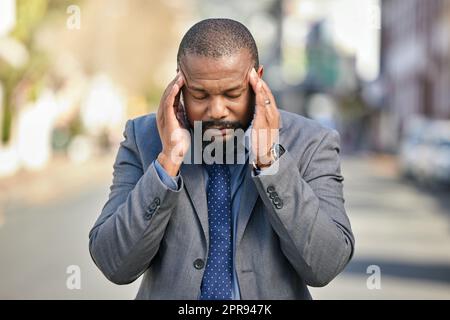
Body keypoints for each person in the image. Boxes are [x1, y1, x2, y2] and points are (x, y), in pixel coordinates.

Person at [89, 18, 354, 300]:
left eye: (232, 94)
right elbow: (114, 264)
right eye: (200, 94)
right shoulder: (143, 138)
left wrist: (269, 161)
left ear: (257, 80)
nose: (216, 110)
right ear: (179, 83)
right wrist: (168, 161)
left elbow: (326, 265)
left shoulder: (312, 142)